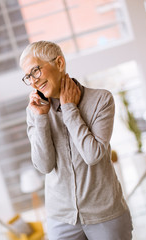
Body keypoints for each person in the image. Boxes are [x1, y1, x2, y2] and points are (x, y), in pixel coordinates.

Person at [19, 40, 133, 240]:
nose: (33, 81)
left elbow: (93, 155)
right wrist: (41, 118)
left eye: (35, 71)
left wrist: (70, 109)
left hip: (105, 215)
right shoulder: (35, 112)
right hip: (61, 219)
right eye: (28, 77)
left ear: (60, 63)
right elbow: (44, 166)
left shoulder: (101, 100)